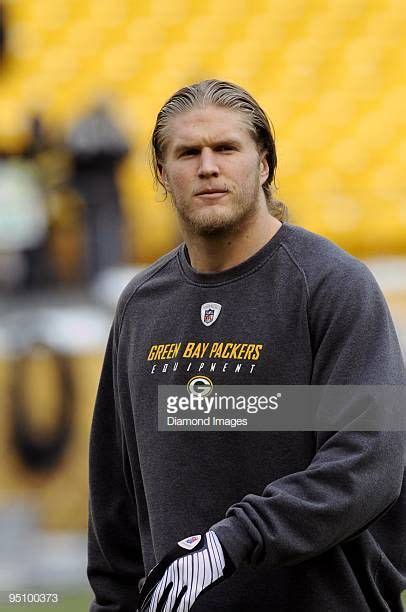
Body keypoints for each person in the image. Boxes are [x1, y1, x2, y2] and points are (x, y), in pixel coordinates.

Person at [87, 79, 406, 611]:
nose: (207, 166)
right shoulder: (142, 305)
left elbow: (368, 461)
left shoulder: (331, 285)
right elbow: (115, 500)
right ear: (163, 175)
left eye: (226, 148)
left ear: (263, 165)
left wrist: (229, 544)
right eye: (187, 153)